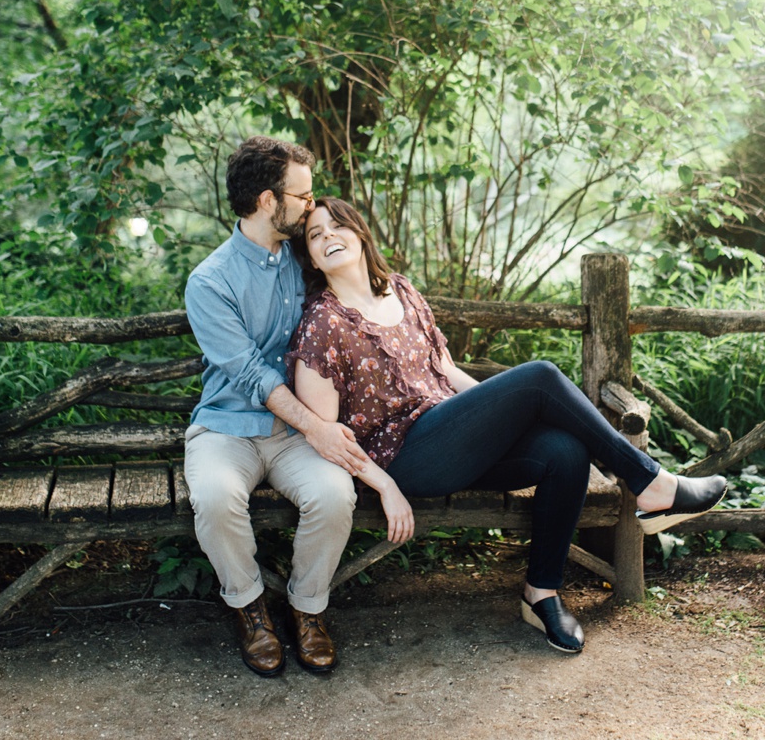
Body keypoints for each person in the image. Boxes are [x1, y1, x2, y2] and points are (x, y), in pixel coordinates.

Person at [286, 198, 727, 654]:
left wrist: (497, 414)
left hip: (456, 438)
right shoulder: (323, 323)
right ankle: (650, 483)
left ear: (360, 234)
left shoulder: (400, 290)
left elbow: (446, 371)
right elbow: (326, 434)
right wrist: (385, 487)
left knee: (564, 451)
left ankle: (541, 594)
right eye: (315, 235)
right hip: (409, 458)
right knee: (538, 377)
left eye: (337, 226)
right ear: (311, 257)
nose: (328, 238)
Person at [182, 138, 372, 678]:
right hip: (227, 429)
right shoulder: (210, 281)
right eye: (304, 196)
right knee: (216, 497)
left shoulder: (305, 255)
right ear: (269, 200)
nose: (312, 206)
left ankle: (306, 611)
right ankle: (249, 610)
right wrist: (319, 429)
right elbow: (248, 374)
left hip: (293, 437)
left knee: (335, 495)